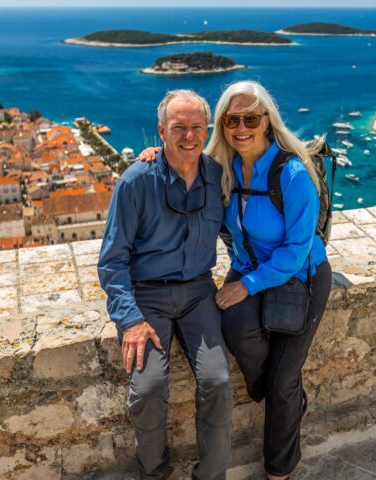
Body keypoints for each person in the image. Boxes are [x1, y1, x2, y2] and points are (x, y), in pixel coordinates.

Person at [139, 80, 332, 480]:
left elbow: (296, 251)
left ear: (267, 121)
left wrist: (247, 284)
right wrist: (156, 154)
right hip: (250, 271)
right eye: (232, 119)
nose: (241, 127)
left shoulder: (292, 173)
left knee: (282, 377)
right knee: (234, 328)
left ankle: (279, 466)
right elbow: (183, 157)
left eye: (250, 118)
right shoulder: (222, 167)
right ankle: (287, 400)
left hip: (300, 277)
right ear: (223, 124)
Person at [98, 89, 232, 480]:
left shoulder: (217, 176)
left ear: (206, 130)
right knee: (149, 390)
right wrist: (130, 320)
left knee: (219, 383)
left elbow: (237, 235)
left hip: (198, 293)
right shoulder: (136, 181)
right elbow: (112, 261)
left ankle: (210, 475)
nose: (188, 136)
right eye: (179, 128)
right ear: (161, 131)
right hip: (148, 296)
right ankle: (155, 472)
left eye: (196, 127)